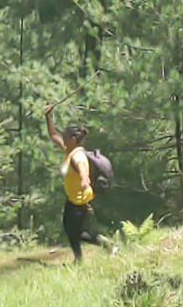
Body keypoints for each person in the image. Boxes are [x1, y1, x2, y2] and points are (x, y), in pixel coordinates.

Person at [44, 104, 115, 262]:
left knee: (75, 231)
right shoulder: (69, 150)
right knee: (71, 229)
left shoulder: (78, 156)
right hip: (73, 198)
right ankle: (83, 256)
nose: (62, 139)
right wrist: (47, 117)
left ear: (73, 139)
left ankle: (105, 245)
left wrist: (84, 179)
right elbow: (53, 136)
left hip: (79, 200)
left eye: (65, 137)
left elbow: (83, 168)